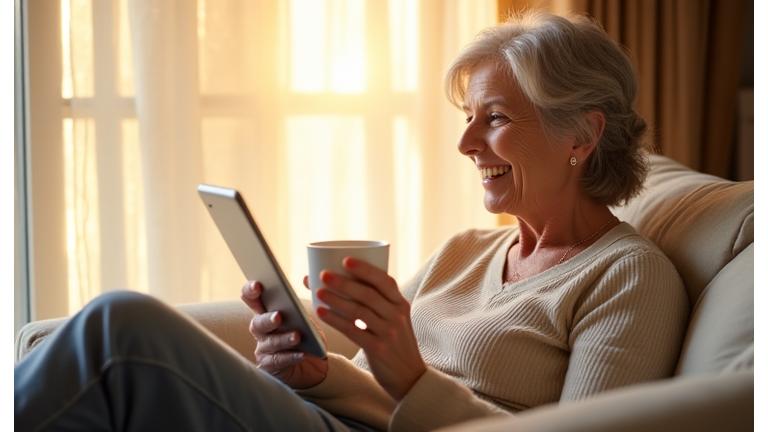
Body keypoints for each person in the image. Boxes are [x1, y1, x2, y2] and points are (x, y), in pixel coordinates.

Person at [15, 10, 688, 432]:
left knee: (121, 330)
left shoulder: (629, 278)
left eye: (497, 119)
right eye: (468, 120)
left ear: (581, 134)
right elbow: (373, 384)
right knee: (107, 356)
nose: (466, 145)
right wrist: (317, 374)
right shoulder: (466, 251)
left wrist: (413, 378)